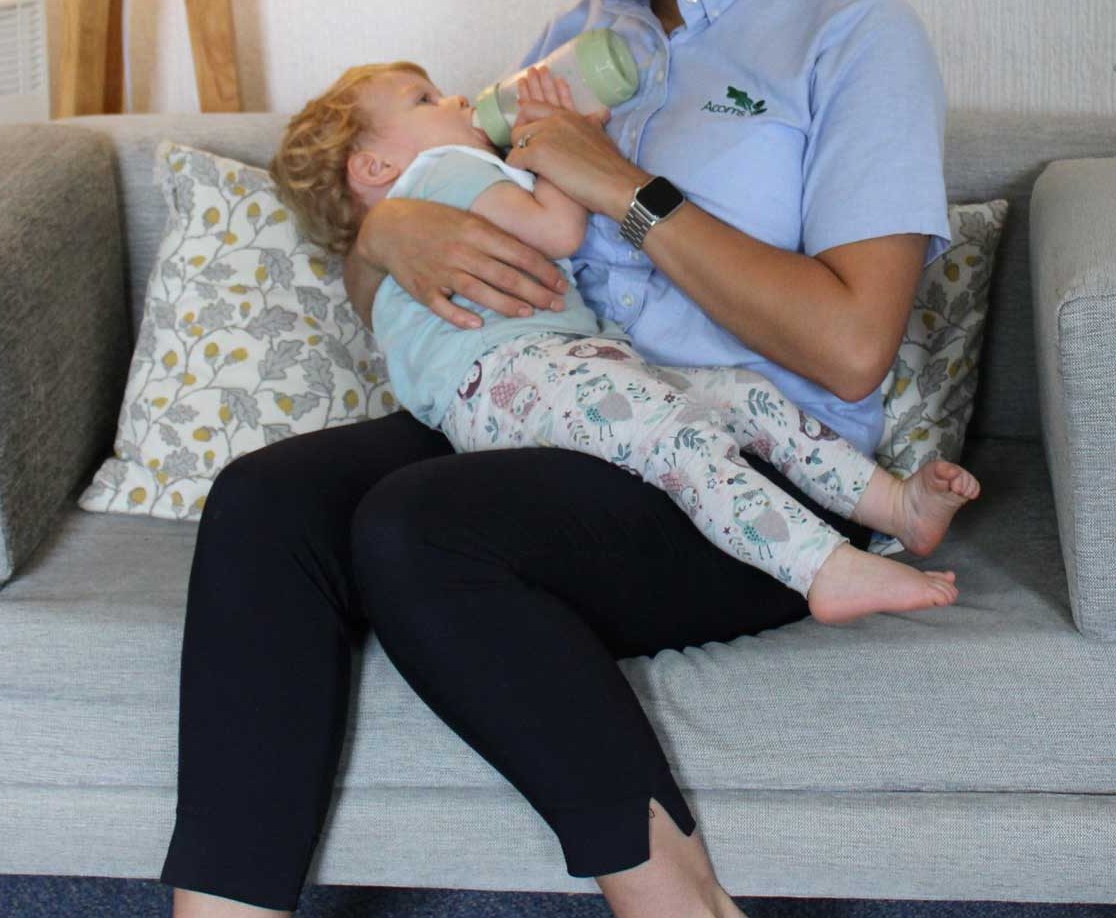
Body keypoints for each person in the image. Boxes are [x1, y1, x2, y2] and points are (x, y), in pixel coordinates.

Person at [164, 0, 955, 918]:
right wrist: (385, 239)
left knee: (420, 527)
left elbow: (851, 343)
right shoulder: (577, 44)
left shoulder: (851, 36)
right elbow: (425, 220)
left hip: (736, 463)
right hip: (563, 409)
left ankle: (673, 907)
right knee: (269, 499)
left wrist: (623, 188)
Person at [266, 57, 978, 616]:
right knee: (678, 434)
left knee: (739, 395)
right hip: (516, 375)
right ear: (373, 168)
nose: (454, 100)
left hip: (543, 375)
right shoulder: (442, 171)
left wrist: (555, 137)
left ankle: (894, 505)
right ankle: (820, 564)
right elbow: (559, 228)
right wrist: (570, 146)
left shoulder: (434, 194)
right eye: (424, 100)